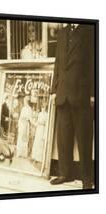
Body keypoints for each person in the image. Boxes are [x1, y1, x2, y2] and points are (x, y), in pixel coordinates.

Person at [49, 24, 95, 189]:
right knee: (63, 138)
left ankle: (87, 179)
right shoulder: (62, 33)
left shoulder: (90, 30)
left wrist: (93, 93)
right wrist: (53, 89)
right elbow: (57, 63)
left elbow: (94, 63)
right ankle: (65, 174)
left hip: (81, 94)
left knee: (84, 139)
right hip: (62, 94)